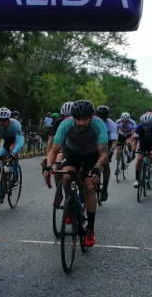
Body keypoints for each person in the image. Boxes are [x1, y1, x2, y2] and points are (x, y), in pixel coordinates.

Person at [47, 100, 108, 247]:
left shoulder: (99, 124)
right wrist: (48, 166)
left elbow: (104, 153)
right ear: (73, 118)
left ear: (91, 117)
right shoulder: (65, 124)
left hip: (91, 155)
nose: (81, 123)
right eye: (78, 119)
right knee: (67, 175)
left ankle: (90, 229)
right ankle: (70, 204)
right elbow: (54, 150)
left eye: (85, 119)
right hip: (72, 152)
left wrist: (97, 167)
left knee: (89, 186)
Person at [0, 107, 25, 204]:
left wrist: (13, 153)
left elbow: (19, 142)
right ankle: (1, 188)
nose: (1, 122)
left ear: (8, 119)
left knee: (13, 150)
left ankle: (15, 174)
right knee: (1, 161)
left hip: (16, 141)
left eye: (3, 120)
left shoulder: (15, 124)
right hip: (6, 141)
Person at [132, 113, 152, 188]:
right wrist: (133, 151)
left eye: (147, 125)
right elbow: (135, 141)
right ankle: (137, 179)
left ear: (151, 123)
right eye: (144, 125)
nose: (145, 127)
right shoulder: (138, 127)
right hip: (143, 145)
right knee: (139, 159)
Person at [95, 105, 117, 202]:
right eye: (100, 117)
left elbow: (114, 141)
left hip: (106, 142)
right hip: (94, 141)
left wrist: (111, 150)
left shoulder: (111, 125)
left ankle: (105, 188)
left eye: (104, 118)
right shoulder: (93, 121)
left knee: (105, 163)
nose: (102, 119)